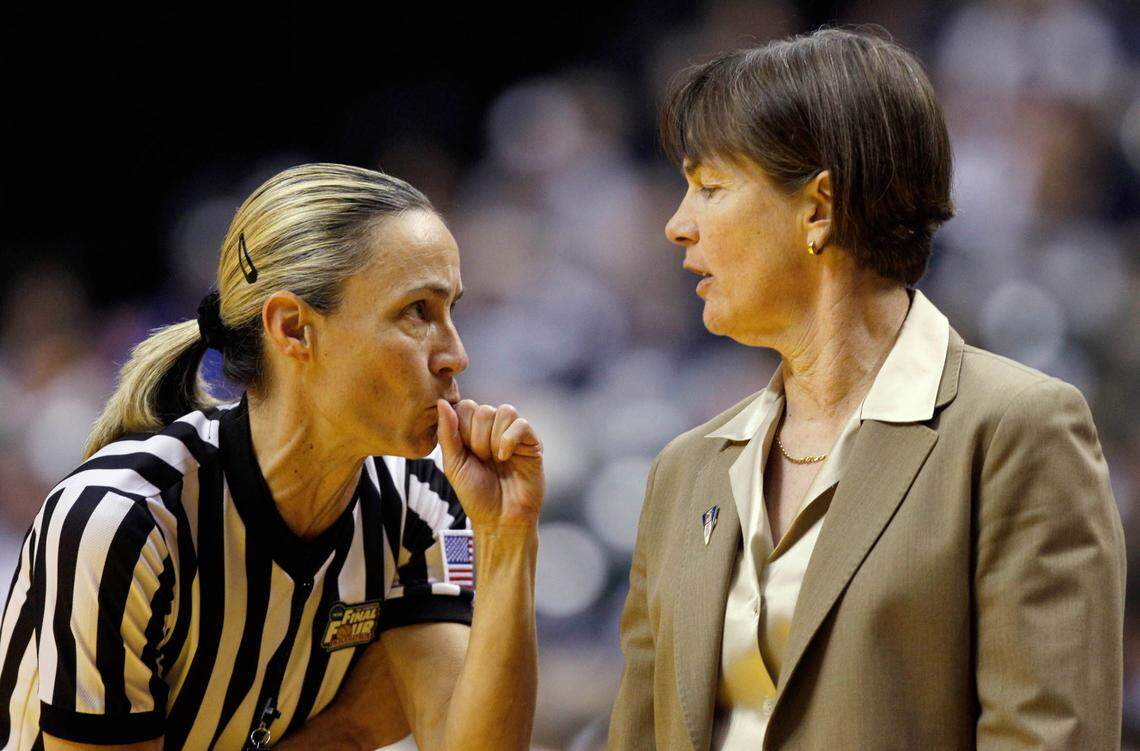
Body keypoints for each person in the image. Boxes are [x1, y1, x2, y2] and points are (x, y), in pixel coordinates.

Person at [607, 28, 1125, 750]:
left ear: (818, 206)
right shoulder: (683, 470)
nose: (676, 225)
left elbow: (1046, 736)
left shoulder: (1016, 431)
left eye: (709, 187)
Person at [0, 163, 544, 750]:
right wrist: (344, 731)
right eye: (417, 312)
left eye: (451, 312)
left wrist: (508, 537)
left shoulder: (422, 506)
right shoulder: (121, 519)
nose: (455, 355)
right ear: (293, 329)